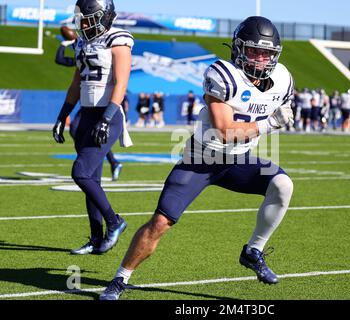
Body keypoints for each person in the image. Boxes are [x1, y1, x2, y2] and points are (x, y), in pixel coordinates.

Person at [100, 16, 295, 300]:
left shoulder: (282, 79)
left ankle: (253, 250)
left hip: (238, 161)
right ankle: (120, 278)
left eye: (267, 53)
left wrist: (284, 113)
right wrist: (269, 123)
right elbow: (226, 131)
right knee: (160, 223)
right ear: (239, 49)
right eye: (254, 51)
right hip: (200, 160)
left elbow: (281, 104)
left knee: (283, 185)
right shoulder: (223, 74)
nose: (261, 59)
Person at [52, 0, 133, 255]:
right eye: (82, 18)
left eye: (88, 18)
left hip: (107, 113)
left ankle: (114, 221)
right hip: (86, 114)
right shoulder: (82, 42)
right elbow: (76, 83)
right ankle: (96, 238)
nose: (83, 23)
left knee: (81, 173)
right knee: (92, 179)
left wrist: (107, 118)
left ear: (104, 16)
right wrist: (62, 116)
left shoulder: (118, 39)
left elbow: (121, 83)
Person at [54, 25, 124, 181]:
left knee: (84, 135)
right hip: (86, 99)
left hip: (101, 100)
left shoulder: (100, 50)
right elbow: (60, 61)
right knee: (82, 133)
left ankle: (109, 162)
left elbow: (120, 83)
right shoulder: (81, 53)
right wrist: (65, 43)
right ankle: (108, 162)